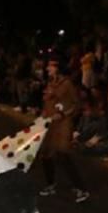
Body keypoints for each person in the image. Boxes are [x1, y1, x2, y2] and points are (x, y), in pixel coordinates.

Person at [38, 58, 90, 203]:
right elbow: (48, 101)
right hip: (50, 123)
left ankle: (81, 189)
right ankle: (50, 185)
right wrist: (43, 114)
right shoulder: (50, 82)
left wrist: (63, 114)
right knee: (46, 154)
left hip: (63, 124)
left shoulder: (66, 83)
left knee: (63, 155)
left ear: (57, 68)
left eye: (50, 65)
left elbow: (76, 103)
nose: (47, 68)